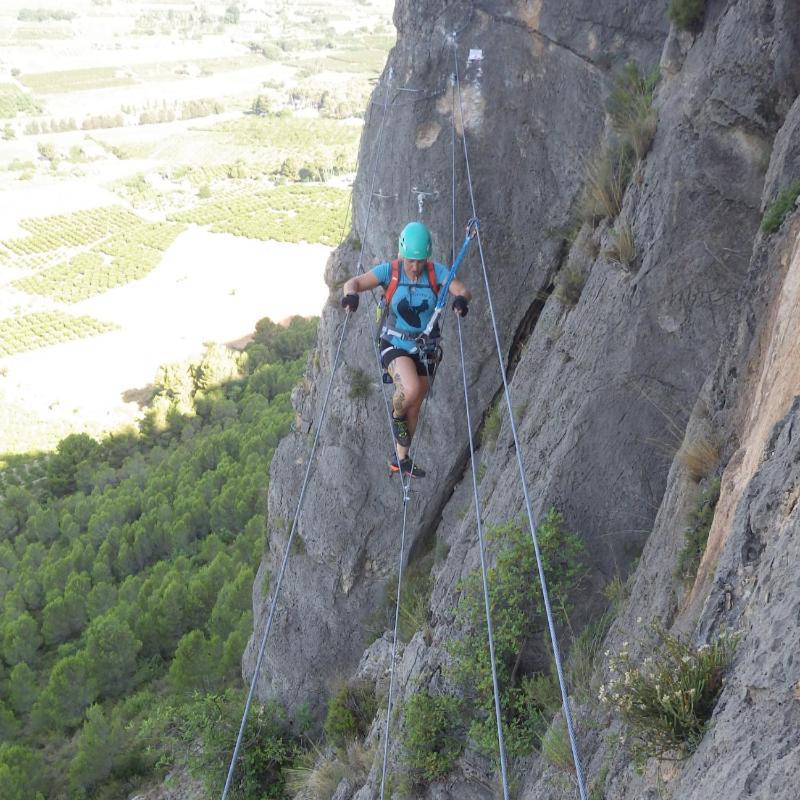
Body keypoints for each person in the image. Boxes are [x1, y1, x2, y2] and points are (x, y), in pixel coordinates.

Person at [341, 221, 472, 478]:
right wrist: (351, 296)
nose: (415, 266)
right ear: (402, 254)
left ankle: (401, 459)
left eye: (420, 261)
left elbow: (462, 289)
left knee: (415, 406)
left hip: (424, 348)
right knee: (409, 390)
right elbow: (353, 282)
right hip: (394, 344)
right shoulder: (390, 271)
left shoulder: (435, 272)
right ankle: (396, 411)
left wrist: (460, 300)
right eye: (411, 260)